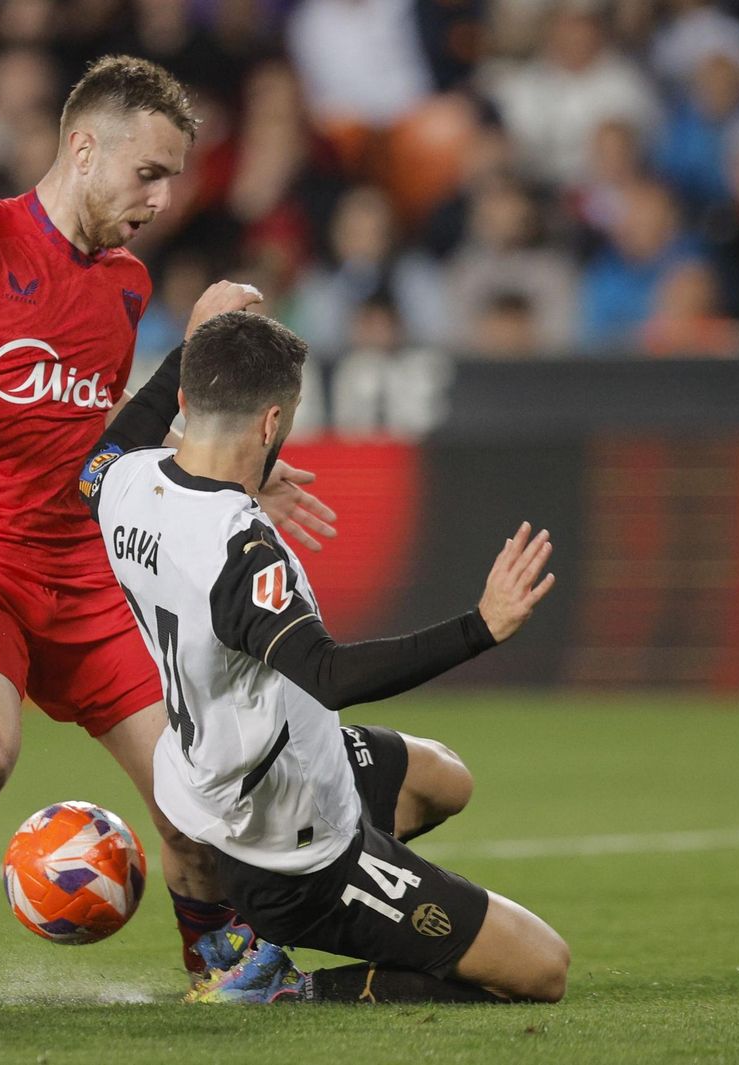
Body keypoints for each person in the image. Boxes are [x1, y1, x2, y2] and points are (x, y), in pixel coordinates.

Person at [0, 56, 336, 1006]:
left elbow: (103, 428)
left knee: (193, 787)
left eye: (173, 177)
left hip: (79, 567)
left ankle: (218, 969)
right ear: (84, 150)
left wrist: (238, 469)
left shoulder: (124, 285)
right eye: (148, 173)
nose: (162, 198)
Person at [79, 311, 570, 1003]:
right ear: (272, 423)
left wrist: (190, 346)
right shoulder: (240, 552)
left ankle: (253, 930)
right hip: (290, 847)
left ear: (186, 403)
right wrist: (480, 627)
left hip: (213, 781)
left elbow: (97, 461)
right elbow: (330, 672)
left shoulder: (127, 485)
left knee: (446, 779)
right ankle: (289, 985)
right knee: (542, 968)